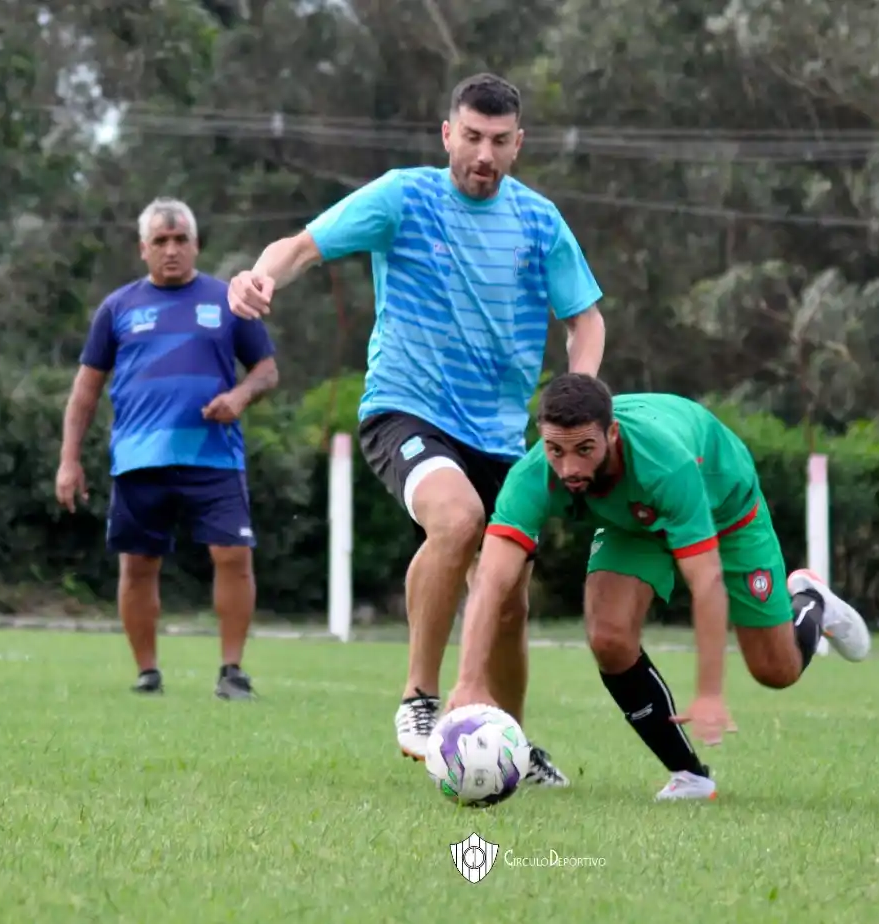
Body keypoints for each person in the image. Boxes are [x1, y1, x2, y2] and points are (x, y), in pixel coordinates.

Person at [227, 73, 604, 784]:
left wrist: (578, 392)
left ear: (518, 144)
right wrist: (258, 276)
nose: (483, 155)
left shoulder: (539, 222)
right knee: (456, 521)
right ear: (447, 136)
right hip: (407, 409)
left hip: (499, 436)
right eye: (471, 138)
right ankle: (420, 697)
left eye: (498, 142)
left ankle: (510, 740)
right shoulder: (405, 196)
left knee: (508, 598)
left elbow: (585, 318)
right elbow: (300, 246)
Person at [443, 374, 872, 800]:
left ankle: (810, 599)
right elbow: (492, 580)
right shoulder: (533, 476)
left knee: (777, 671)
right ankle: (690, 775)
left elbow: (705, 584)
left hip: (726, 509)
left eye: (584, 449)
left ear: (611, 434)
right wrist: (469, 681)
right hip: (632, 521)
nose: (569, 467)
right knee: (608, 638)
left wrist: (708, 692)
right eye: (556, 450)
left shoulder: (667, 465)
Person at [56, 197, 280, 700]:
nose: (172, 250)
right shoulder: (117, 308)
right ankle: (147, 673)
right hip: (139, 458)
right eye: (161, 241)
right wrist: (69, 460)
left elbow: (266, 370)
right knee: (137, 565)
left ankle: (232, 671)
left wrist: (239, 397)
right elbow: (86, 390)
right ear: (143, 249)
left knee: (233, 555)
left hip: (214, 456)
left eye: (181, 240)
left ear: (197, 244)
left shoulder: (228, 301)